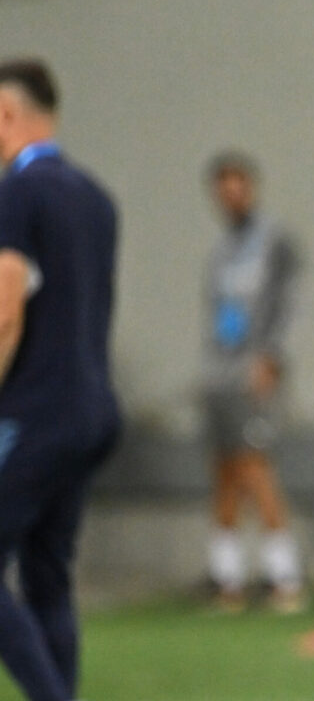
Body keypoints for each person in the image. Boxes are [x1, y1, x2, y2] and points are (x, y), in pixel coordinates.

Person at [0, 58, 121, 701]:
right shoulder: (96, 198)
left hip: (37, 411)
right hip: (93, 408)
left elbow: (4, 312)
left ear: (6, 115)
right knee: (47, 576)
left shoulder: (19, 192)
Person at [201, 150, 305, 613]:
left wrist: (272, 358)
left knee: (254, 466)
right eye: (223, 188)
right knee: (224, 469)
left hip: (254, 372)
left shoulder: (273, 242)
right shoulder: (221, 249)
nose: (231, 196)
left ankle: (284, 575)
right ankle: (227, 577)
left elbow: (290, 304)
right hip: (219, 372)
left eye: (238, 186)